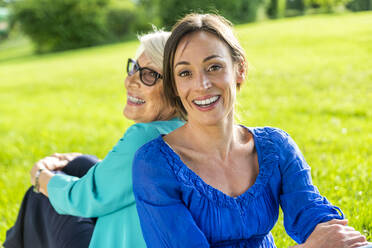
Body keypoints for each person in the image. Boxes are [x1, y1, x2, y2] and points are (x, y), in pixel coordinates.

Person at [132, 14, 370, 248]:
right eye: (185, 73)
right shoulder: (154, 164)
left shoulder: (275, 146)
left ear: (240, 69)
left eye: (214, 67)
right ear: (174, 85)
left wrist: (342, 240)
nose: (201, 85)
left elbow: (312, 214)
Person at [4, 30, 184, 248]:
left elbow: (82, 198)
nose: (130, 81)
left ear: (176, 88)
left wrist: (40, 176)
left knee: (43, 196)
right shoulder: (188, 129)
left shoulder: (145, 138)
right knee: (81, 164)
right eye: (134, 68)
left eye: (148, 75)